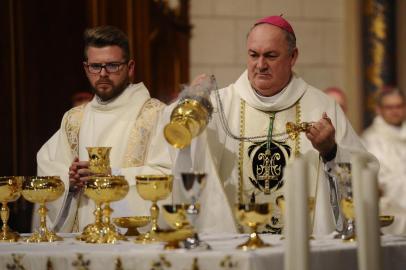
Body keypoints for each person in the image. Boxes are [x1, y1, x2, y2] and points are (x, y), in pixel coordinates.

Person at [151, 15, 376, 235]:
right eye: (253, 55)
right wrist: (191, 99)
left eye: (270, 55)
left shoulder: (321, 107)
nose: (260, 65)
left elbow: (365, 172)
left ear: (293, 56)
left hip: (303, 246)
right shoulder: (218, 104)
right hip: (234, 244)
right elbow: (174, 141)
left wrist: (331, 151)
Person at [35, 26, 165, 232]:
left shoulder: (154, 114)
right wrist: (69, 181)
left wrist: (112, 176)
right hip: (82, 237)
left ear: (130, 67)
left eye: (113, 66)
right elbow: (49, 165)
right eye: (96, 66)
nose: (103, 74)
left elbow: (166, 174)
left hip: (131, 240)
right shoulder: (73, 119)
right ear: (86, 68)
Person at [362, 87, 406, 235]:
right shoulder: (370, 140)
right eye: (389, 107)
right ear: (379, 110)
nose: (395, 111)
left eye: (399, 106)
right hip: (390, 215)